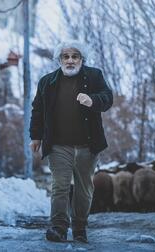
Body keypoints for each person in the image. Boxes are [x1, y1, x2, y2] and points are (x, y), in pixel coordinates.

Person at [30, 40, 113, 243]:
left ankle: (79, 228)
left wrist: (92, 100)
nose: (70, 60)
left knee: (84, 187)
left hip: (88, 144)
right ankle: (58, 227)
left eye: (74, 56)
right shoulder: (47, 82)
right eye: (65, 57)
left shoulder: (94, 76)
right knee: (60, 185)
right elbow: (38, 110)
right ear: (59, 60)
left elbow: (108, 98)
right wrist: (35, 136)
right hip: (58, 145)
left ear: (81, 59)